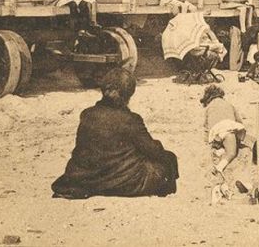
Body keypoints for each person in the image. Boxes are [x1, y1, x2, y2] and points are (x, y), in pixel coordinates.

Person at [51, 68, 178, 199]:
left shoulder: (87, 114)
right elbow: (152, 151)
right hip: (122, 180)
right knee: (168, 160)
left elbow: (81, 151)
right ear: (128, 94)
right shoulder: (131, 119)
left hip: (87, 178)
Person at [201, 84, 246, 177]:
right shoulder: (229, 105)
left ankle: (219, 149)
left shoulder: (209, 107)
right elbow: (239, 121)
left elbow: (206, 126)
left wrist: (207, 140)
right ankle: (219, 167)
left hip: (215, 132)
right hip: (226, 129)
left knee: (225, 143)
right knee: (232, 153)